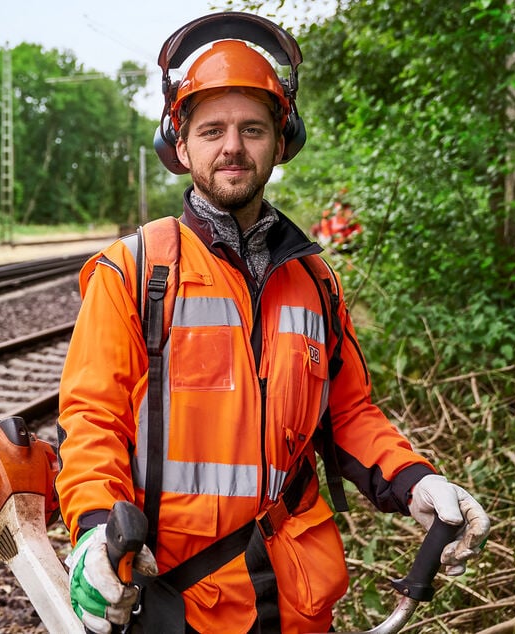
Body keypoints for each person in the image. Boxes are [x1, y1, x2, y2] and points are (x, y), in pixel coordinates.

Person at [56, 12, 489, 634]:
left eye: (252, 128)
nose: (232, 146)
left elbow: (348, 415)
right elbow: (91, 421)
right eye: (211, 130)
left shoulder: (314, 281)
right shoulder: (135, 270)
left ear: (282, 140)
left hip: (297, 596)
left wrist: (416, 482)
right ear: (180, 146)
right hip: (177, 597)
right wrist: (96, 534)